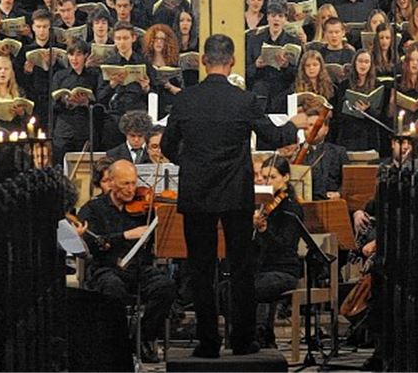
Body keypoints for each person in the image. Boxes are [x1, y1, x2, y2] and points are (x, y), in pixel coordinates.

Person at [160, 33, 307, 358]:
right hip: (235, 194)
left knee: (200, 267)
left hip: (196, 194)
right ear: (232, 62)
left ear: (202, 61)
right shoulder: (243, 101)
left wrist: (191, 163)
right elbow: (273, 135)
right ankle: (242, 340)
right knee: (241, 268)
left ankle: (208, 342)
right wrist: (295, 124)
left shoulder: (185, 100)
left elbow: (168, 145)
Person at [76, 159, 176, 364]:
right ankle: (116, 342)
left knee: (165, 286)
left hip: (141, 268)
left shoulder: (143, 207)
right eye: (125, 184)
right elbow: (94, 244)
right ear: (111, 182)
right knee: (112, 289)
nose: (132, 189)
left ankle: (144, 337)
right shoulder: (93, 209)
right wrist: (126, 235)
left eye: (133, 183)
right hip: (108, 268)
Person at [251, 156, 304, 349]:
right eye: (264, 178)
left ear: (286, 178)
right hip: (262, 268)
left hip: (284, 271)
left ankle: (260, 336)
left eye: (272, 177)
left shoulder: (291, 208)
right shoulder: (260, 205)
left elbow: (285, 245)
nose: (267, 182)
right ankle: (256, 336)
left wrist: (265, 230)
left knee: (252, 287)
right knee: (229, 287)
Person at [96, 22, 155, 149]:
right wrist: (112, 84)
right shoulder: (108, 63)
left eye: (125, 38)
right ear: (114, 40)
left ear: (133, 38)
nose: (122, 42)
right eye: (118, 39)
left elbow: (156, 94)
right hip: (116, 114)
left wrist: (146, 88)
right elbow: (100, 97)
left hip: (139, 113)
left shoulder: (144, 62)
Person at [50, 39, 100, 162]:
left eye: (78, 54)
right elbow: (52, 104)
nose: (74, 58)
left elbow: (100, 102)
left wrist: (86, 103)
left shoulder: (94, 76)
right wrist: (66, 102)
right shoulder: (60, 76)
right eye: (71, 54)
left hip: (85, 130)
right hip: (63, 131)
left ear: (86, 56)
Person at [141, 24, 183, 117]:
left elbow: (183, 92)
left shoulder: (175, 63)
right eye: (155, 38)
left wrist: (169, 86)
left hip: (170, 104)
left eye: (162, 39)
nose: (159, 42)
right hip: (150, 103)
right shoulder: (145, 62)